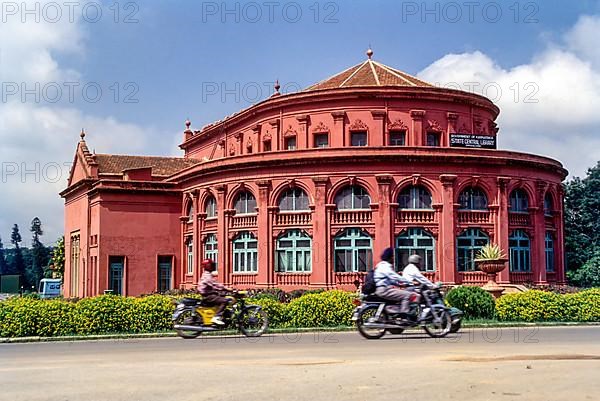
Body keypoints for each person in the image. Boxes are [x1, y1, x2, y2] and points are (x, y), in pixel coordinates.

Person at [374, 247, 414, 317]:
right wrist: (410, 282)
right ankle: (404, 317)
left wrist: (401, 285)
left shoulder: (381, 266)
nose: (393, 259)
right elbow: (395, 276)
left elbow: (391, 280)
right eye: (393, 257)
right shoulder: (385, 266)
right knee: (407, 295)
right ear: (390, 257)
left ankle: (395, 315)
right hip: (384, 290)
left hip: (383, 289)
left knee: (400, 295)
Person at [198, 259, 231, 325]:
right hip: (208, 296)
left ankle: (221, 316)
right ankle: (216, 317)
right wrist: (226, 288)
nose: (214, 266)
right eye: (212, 265)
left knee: (223, 297)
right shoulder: (207, 276)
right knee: (224, 301)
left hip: (209, 294)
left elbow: (214, 286)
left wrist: (222, 290)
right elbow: (215, 284)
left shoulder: (207, 274)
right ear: (208, 266)